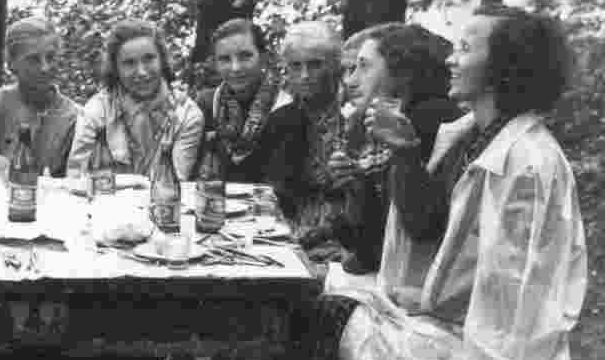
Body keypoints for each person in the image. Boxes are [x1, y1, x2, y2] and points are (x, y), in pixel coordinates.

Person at [294, 5, 586, 360]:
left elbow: (517, 289)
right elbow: (439, 243)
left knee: (319, 317)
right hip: (450, 324)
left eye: (465, 48)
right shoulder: (470, 136)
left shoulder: (527, 162)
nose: (449, 57)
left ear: (504, 68)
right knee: (309, 309)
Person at [326, 24, 461, 273]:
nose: (351, 80)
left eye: (364, 67)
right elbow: (362, 250)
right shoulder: (377, 125)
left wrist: (403, 152)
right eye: (351, 69)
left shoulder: (430, 122)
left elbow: (422, 228)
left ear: (401, 73)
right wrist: (354, 186)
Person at [68, 19, 204, 179]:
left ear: (162, 60)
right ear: (115, 68)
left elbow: (172, 181)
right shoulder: (97, 110)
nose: (141, 72)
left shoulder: (186, 114)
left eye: (149, 59)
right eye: (129, 63)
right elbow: (77, 177)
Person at [195, 18, 308, 206]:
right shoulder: (207, 104)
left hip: (265, 218)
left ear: (263, 57)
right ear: (215, 63)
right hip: (209, 209)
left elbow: (280, 188)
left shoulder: (287, 110)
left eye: (245, 56)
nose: (235, 68)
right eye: (225, 59)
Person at [0, 19, 79, 176]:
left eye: (50, 57)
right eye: (33, 59)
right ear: (11, 63)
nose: (45, 67)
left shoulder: (73, 115)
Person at [274, 21, 343, 241]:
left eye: (315, 65)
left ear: (334, 66)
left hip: (345, 240)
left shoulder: (353, 116)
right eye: (296, 66)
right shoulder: (281, 119)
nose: (304, 75)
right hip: (289, 232)